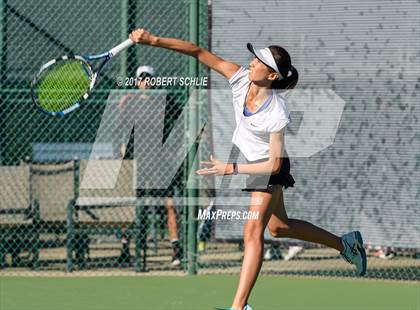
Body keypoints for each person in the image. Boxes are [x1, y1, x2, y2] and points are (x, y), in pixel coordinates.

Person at [130, 28, 367, 310]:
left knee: (252, 232)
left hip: (269, 167)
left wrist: (230, 168)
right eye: (254, 58)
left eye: (259, 61)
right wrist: (154, 40)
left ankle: (239, 306)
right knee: (280, 228)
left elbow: (275, 164)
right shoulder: (240, 78)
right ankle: (346, 244)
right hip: (254, 165)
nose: (252, 62)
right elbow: (197, 51)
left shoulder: (276, 110)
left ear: (271, 76)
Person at [117, 65, 183, 267]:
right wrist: (121, 153)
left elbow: (181, 120)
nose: (146, 82)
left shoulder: (165, 100)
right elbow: (119, 130)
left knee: (169, 205)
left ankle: (176, 251)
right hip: (136, 161)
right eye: (142, 78)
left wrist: (171, 148)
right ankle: (125, 248)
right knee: (131, 205)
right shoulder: (129, 103)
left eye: (149, 78)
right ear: (137, 82)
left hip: (160, 162)